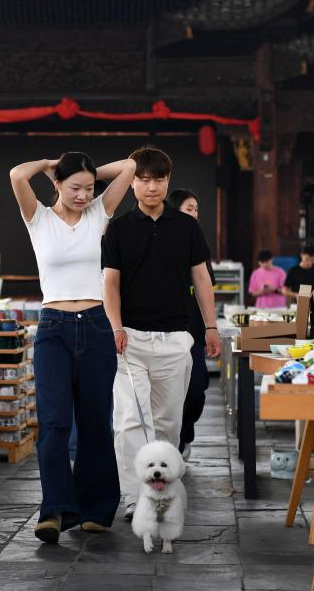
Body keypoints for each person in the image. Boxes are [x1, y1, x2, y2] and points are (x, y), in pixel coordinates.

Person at [10, 152, 136, 544]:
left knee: (97, 421)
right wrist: (50, 162)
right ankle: (55, 510)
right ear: (57, 185)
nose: (83, 195)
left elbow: (130, 167)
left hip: (96, 326)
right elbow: (17, 171)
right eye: (74, 188)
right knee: (54, 423)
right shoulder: (39, 218)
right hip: (53, 330)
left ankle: (97, 509)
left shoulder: (100, 212)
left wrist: (87, 172)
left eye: (89, 188)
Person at [102, 147, 221, 520]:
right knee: (129, 421)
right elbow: (110, 283)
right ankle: (134, 498)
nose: (151, 186)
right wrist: (115, 325)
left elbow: (201, 278)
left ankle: (162, 495)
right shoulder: (118, 229)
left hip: (175, 338)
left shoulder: (186, 227)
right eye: (143, 178)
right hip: (130, 340)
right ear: (132, 182)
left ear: (167, 181)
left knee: (168, 422)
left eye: (158, 179)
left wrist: (210, 326)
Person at [166, 188, 214, 461]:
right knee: (168, 393)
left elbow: (207, 288)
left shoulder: (198, 243)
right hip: (165, 331)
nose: (194, 213)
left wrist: (211, 327)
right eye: (189, 208)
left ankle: (185, 434)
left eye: (196, 209)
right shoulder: (159, 240)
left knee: (196, 387)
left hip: (194, 334)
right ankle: (170, 442)